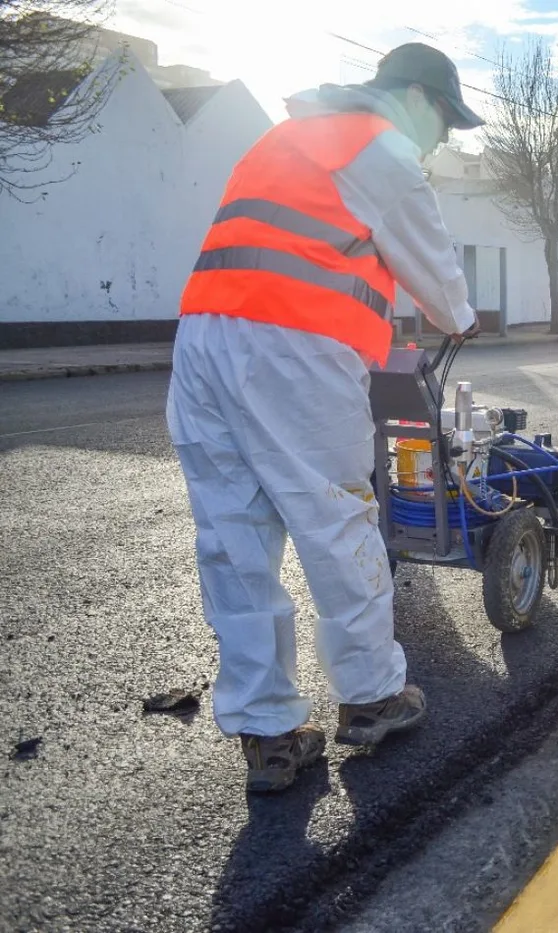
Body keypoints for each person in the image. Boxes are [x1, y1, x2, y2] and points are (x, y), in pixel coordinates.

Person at [166, 43, 483, 793]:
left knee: (233, 540)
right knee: (338, 516)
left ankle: (269, 733)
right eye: (446, 120)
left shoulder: (286, 136)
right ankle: (374, 693)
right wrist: (461, 316)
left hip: (204, 340)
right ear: (418, 98)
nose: (443, 138)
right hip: (294, 350)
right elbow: (442, 288)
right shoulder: (384, 148)